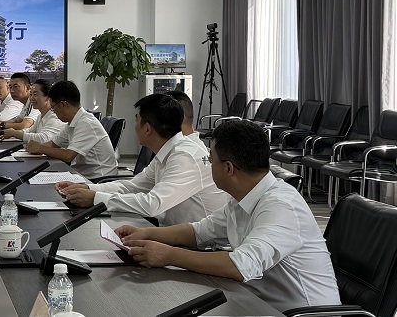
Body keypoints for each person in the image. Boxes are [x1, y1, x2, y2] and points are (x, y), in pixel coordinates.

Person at [116, 120, 340, 312]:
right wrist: (147, 233)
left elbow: (241, 266)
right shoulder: (243, 197)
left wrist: (168, 255)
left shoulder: (281, 206)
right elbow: (200, 232)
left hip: (300, 313)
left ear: (229, 168)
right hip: (255, 303)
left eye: (210, 160)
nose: (209, 164)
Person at [58, 94, 225, 226]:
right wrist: (87, 188)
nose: (135, 125)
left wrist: (95, 198)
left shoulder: (185, 156)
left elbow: (152, 205)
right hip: (174, 235)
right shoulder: (168, 151)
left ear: (147, 129)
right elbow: (133, 186)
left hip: (200, 246)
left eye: (136, 119)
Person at [25, 81, 117, 179]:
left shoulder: (86, 123)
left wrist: (40, 148)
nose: (54, 112)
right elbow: (53, 144)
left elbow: (68, 156)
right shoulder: (72, 122)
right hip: (81, 175)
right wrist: (34, 148)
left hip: (97, 179)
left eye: (53, 108)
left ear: (63, 105)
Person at [2, 79, 65, 143]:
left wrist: (15, 134)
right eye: (30, 94)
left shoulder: (55, 117)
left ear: (47, 97)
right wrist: (13, 132)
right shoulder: (40, 116)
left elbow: (42, 138)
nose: (31, 98)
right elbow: (30, 131)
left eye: (35, 94)